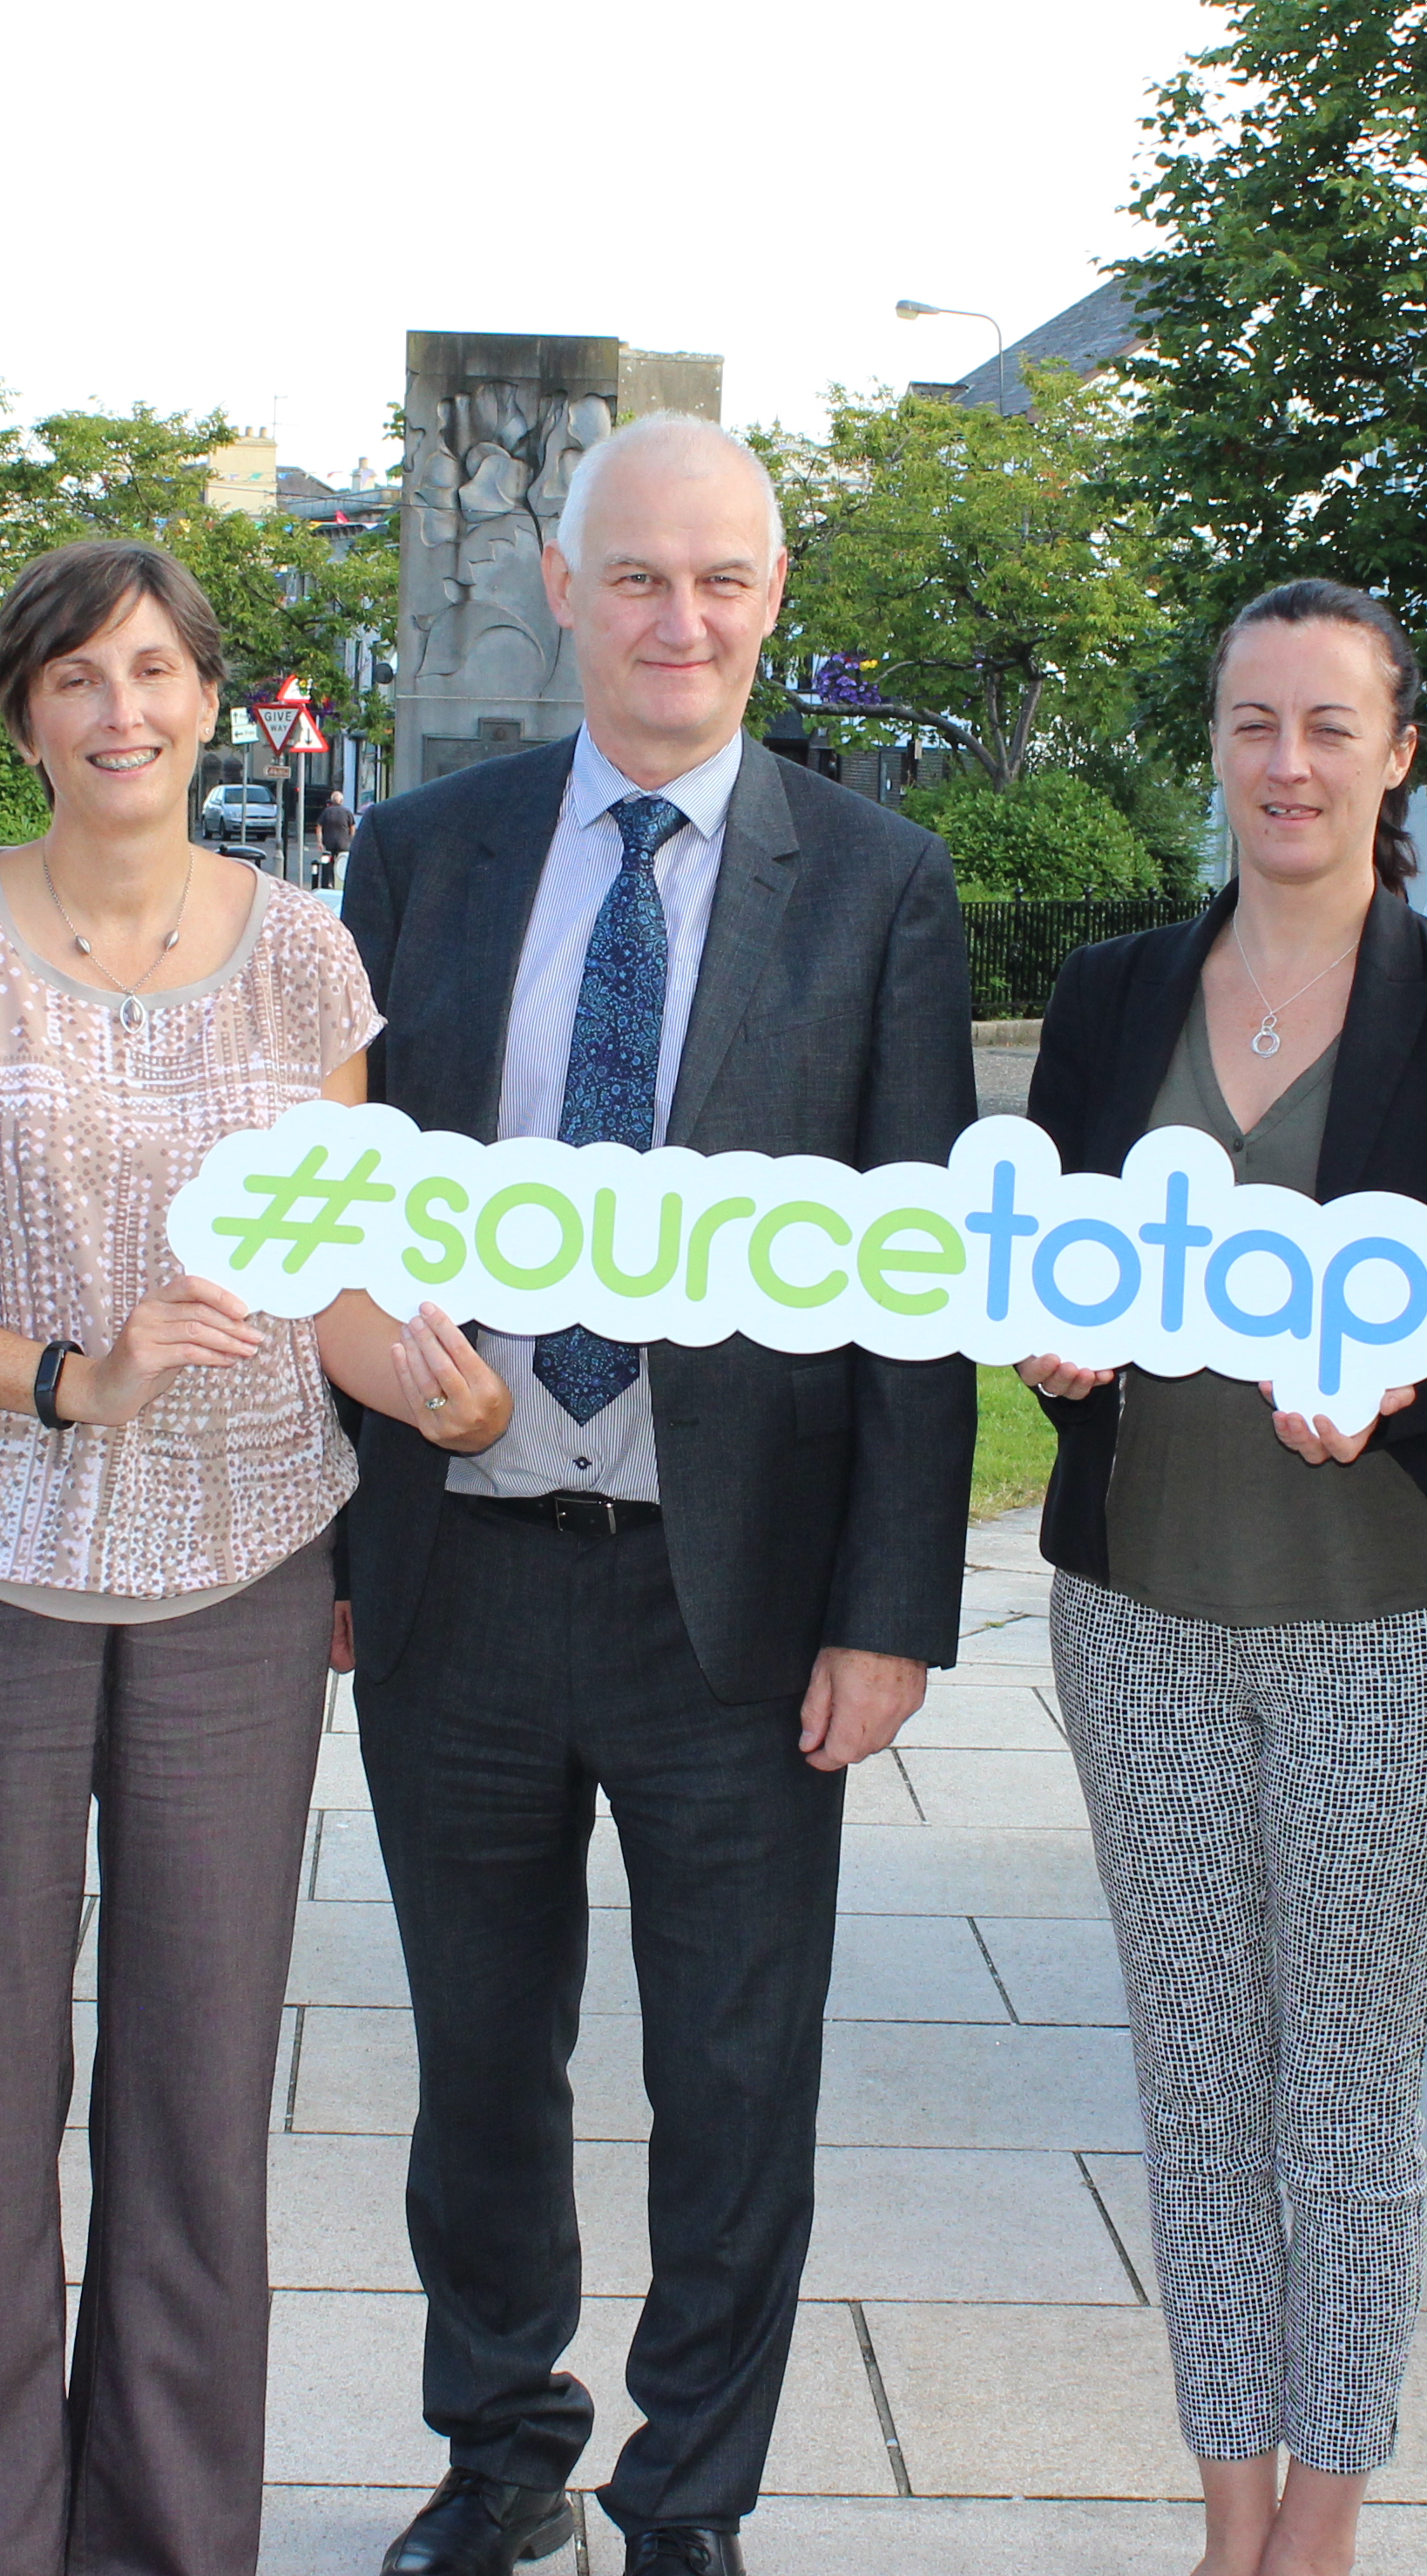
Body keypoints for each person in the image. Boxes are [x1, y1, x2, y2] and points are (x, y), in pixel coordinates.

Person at [0, 540, 503, 2576]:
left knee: (200, 2117)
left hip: (240, 1579)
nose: (123, 712)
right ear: (22, 714)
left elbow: (347, 1294)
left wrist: (443, 1396)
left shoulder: (304, 962)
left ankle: (178, 2545)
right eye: (79, 679)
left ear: (214, 704)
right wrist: (68, 1377)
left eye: (157, 673)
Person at [337, 413, 977, 2576]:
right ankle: (499, 2451)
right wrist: (353, 1496)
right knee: (477, 2071)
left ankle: (690, 2488)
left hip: (740, 1605)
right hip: (468, 1569)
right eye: (637, 576)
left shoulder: (876, 881)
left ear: (770, 602)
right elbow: (352, 1197)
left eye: (719, 579)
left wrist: (890, 1609)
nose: (677, 618)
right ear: (564, 591)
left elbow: (914, 1277)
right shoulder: (425, 854)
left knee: (732, 2077)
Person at [1011, 582, 1427, 2576]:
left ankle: (1325, 2522)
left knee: (1342, 2087)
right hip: (1141, 1613)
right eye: (1254, 722)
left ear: (1398, 752)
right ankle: (1225, 2505)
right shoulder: (1111, 998)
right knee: (1194, 2078)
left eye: (1330, 726)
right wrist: (1046, 1337)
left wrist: (1417, 1379)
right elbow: (1051, 1261)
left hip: (1395, 1627)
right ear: (1216, 744)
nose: (1288, 764)